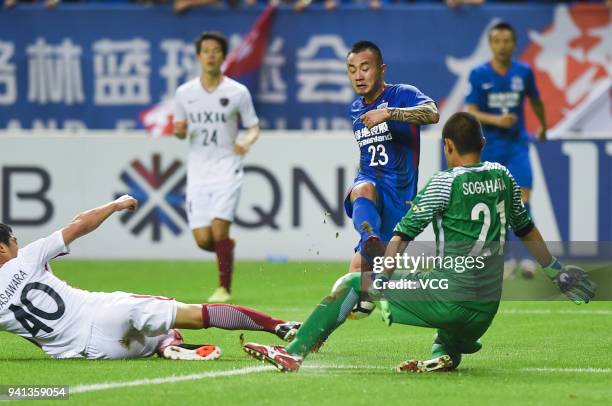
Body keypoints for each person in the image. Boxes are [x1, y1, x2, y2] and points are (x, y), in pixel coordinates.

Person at [241, 112, 595, 373]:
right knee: (440, 274)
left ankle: (294, 353)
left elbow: (401, 237)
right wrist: (557, 272)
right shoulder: (502, 177)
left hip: (451, 302)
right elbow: (526, 229)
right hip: (486, 310)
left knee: (353, 282)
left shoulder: (442, 183)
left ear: (448, 146)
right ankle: (449, 352)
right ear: (483, 144)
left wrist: (378, 279)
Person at [0, 195, 298, 360]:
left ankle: (167, 345)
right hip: (104, 311)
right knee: (195, 315)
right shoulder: (26, 257)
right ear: (2, 248)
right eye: (13, 239)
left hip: (93, 351)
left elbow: (35, 336)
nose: (18, 243)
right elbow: (78, 226)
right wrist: (115, 205)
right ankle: (277, 326)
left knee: (157, 339)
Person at [173, 31, 261, 303]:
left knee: (219, 231)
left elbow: (253, 127)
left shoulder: (236, 92)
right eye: (206, 51)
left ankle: (224, 288)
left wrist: (246, 141)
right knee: (203, 240)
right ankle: (226, 250)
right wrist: (179, 130)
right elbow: (179, 131)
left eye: (216, 51)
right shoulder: (184, 93)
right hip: (198, 172)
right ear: (199, 56)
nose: (211, 55)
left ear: (223, 56)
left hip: (227, 168)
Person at [343, 40, 439, 276]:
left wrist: (389, 113)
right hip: (372, 188)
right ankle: (369, 237)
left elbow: (433, 113)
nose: (358, 76)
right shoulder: (356, 109)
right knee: (361, 189)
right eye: (352, 70)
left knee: (365, 274)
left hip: (400, 196)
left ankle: (378, 303)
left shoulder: (402, 94)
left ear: (381, 69)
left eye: (365, 68)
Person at [465, 22, 547, 279]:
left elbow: (535, 100)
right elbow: (471, 111)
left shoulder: (523, 72)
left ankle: (528, 260)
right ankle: (508, 258)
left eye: (507, 40)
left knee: (523, 199)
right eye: (497, 41)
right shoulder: (479, 74)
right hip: (490, 147)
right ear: (491, 44)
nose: (502, 45)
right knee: (496, 205)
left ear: (514, 44)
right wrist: (497, 120)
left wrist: (544, 127)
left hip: (516, 146)